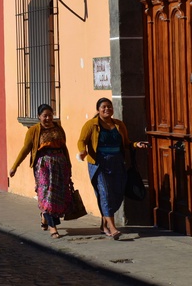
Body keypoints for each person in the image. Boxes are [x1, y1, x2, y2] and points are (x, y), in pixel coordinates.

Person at [77, 97, 149, 240]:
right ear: (98, 110)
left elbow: (126, 143)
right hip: (99, 164)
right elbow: (81, 140)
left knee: (116, 194)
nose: (107, 109)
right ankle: (113, 227)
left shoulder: (118, 124)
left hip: (117, 163)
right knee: (105, 193)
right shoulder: (91, 125)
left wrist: (136, 145)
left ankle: (103, 225)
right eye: (103, 107)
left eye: (109, 106)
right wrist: (82, 151)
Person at [9, 104, 72, 239]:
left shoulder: (58, 128)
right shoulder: (34, 130)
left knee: (57, 194)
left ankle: (45, 216)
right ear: (39, 117)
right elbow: (25, 149)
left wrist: (69, 165)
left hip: (60, 165)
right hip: (43, 166)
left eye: (50, 115)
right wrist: (15, 166)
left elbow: (64, 147)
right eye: (45, 116)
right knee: (46, 193)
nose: (48, 118)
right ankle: (53, 227)